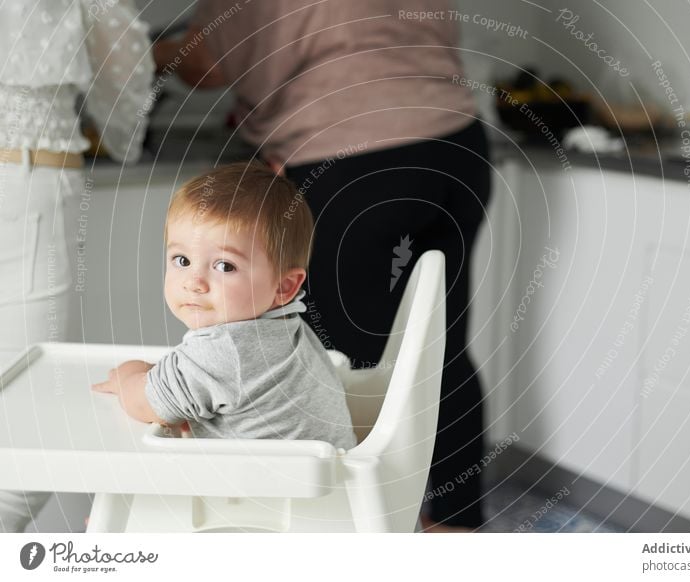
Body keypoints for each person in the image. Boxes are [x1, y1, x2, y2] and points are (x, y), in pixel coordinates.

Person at [155, 0, 491, 531]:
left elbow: (209, 66)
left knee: (334, 355)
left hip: (350, 152)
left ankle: (342, 527)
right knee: (439, 348)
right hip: (456, 145)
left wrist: (153, 52)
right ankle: (456, 525)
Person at [0, 0, 154, 532]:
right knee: (34, 409)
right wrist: (123, 134)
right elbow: (121, 48)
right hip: (23, 178)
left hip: (26, 179)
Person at [92, 163, 356, 449]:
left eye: (224, 265)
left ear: (284, 287)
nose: (194, 282)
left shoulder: (225, 350)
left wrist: (128, 375)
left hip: (274, 490)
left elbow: (143, 405)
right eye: (182, 260)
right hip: (324, 480)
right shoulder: (283, 325)